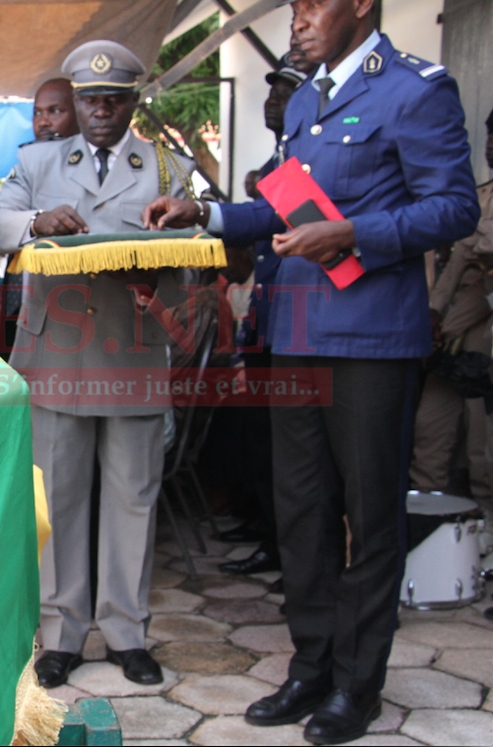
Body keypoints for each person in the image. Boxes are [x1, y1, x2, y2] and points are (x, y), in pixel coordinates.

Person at [143, 0, 480, 742]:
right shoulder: (307, 97)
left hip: (369, 340)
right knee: (300, 511)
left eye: (311, 4)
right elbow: (280, 202)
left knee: (370, 515)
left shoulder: (415, 89)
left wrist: (356, 232)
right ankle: (311, 666)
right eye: (291, 8)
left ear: (360, 3)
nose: (296, 20)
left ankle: (356, 685)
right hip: (296, 332)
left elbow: (453, 207)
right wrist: (203, 215)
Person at [0, 40, 195, 690]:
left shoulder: (164, 165)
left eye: (113, 99)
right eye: (89, 99)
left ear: (133, 102)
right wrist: (34, 221)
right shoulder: (37, 162)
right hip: (56, 352)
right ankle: (62, 630)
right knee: (61, 496)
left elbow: (193, 249)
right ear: (73, 101)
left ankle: (127, 630)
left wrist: (160, 271)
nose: (100, 111)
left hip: (131, 347)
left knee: (133, 497)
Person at [219, 54, 312, 580]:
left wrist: (216, 215)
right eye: (272, 91)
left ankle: (289, 551)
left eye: (285, 93)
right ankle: (269, 534)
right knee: (262, 439)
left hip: (299, 322)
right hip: (268, 318)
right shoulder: (280, 159)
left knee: (292, 455)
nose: (271, 101)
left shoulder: (301, 160)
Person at [409, 107, 493, 498]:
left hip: (479, 337)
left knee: (483, 447)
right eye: (489, 137)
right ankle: (434, 535)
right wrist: (434, 317)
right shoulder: (477, 197)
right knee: (430, 434)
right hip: (450, 341)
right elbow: (459, 261)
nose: (491, 146)